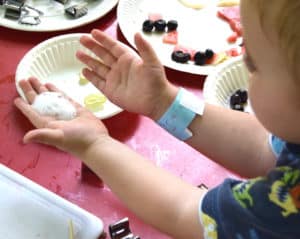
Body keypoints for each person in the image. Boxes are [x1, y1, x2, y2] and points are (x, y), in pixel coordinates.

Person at [14, 0, 300, 238]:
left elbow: (184, 212)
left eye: (253, 64)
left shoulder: (285, 212)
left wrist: (93, 145)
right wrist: (164, 103)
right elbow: (264, 149)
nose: (246, 74)